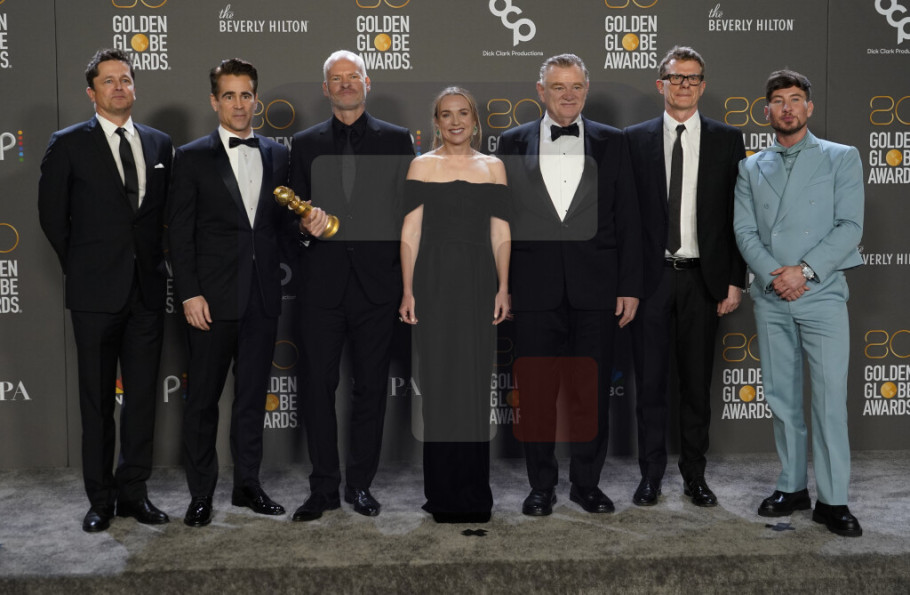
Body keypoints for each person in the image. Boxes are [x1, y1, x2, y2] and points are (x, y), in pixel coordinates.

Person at [496, 53, 642, 516]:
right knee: (537, 395)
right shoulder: (512, 142)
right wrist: (503, 285)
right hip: (534, 289)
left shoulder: (614, 141)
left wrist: (629, 286)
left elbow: (628, 218)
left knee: (590, 394)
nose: (568, 95)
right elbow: (501, 221)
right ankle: (541, 486)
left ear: (586, 89)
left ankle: (586, 484)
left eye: (576, 86)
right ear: (541, 91)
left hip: (596, 289)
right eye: (558, 86)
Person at [38, 48, 172, 533]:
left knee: (141, 400)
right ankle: (101, 499)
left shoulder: (159, 144)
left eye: (126, 79)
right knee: (96, 403)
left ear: (135, 87)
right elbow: (53, 219)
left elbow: (165, 218)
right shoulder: (68, 144)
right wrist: (85, 269)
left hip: (147, 293)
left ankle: (134, 493)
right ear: (91, 92)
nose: (119, 87)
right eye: (108, 80)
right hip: (94, 296)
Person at [733, 69, 864, 537]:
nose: (786, 108)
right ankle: (791, 486)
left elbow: (850, 226)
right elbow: (744, 231)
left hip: (821, 293)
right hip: (772, 295)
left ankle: (833, 499)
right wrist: (778, 275)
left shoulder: (841, 157)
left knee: (828, 400)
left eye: (794, 99)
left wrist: (802, 272)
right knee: (781, 397)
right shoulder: (751, 167)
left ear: (809, 107)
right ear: (766, 110)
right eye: (777, 100)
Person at [289, 50, 414, 521]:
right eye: (336, 78)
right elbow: (290, 217)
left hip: (377, 287)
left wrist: (406, 283)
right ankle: (323, 487)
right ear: (325, 88)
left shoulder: (398, 140)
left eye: (353, 76)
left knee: (371, 389)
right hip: (320, 288)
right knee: (317, 389)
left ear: (367, 82)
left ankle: (359, 484)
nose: (345, 84)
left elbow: (409, 215)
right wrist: (304, 228)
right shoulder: (304, 144)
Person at [167, 58, 290, 527]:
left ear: (256, 99)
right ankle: (201, 494)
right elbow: (179, 233)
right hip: (210, 302)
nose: (239, 104)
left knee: (252, 398)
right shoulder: (191, 156)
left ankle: (247, 485)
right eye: (229, 95)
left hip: (263, 297)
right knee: (202, 402)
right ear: (214, 101)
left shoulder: (276, 154)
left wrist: (307, 229)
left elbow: (278, 228)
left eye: (246, 95)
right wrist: (190, 293)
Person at [625, 46, 746, 508]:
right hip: (650, 281)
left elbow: (738, 216)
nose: (684, 86)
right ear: (661, 84)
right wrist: (625, 284)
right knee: (650, 386)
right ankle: (650, 476)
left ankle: (695, 477)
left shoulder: (726, 140)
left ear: (702, 85)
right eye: (676, 78)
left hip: (703, 280)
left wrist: (734, 279)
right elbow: (623, 219)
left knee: (696, 388)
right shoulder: (633, 139)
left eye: (692, 78)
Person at [399, 87, 510, 523]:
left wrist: (504, 287)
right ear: (437, 122)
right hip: (433, 282)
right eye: (446, 115)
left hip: (479, 282)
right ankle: (443, 495)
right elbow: (411, 232)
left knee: (473, 385)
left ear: (475, 120)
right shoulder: (422, 165)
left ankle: (474, 495)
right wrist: (408, 290)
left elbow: (500, 231)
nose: (456, 121)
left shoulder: (494, 167)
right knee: (439, 385)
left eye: (463, 113)